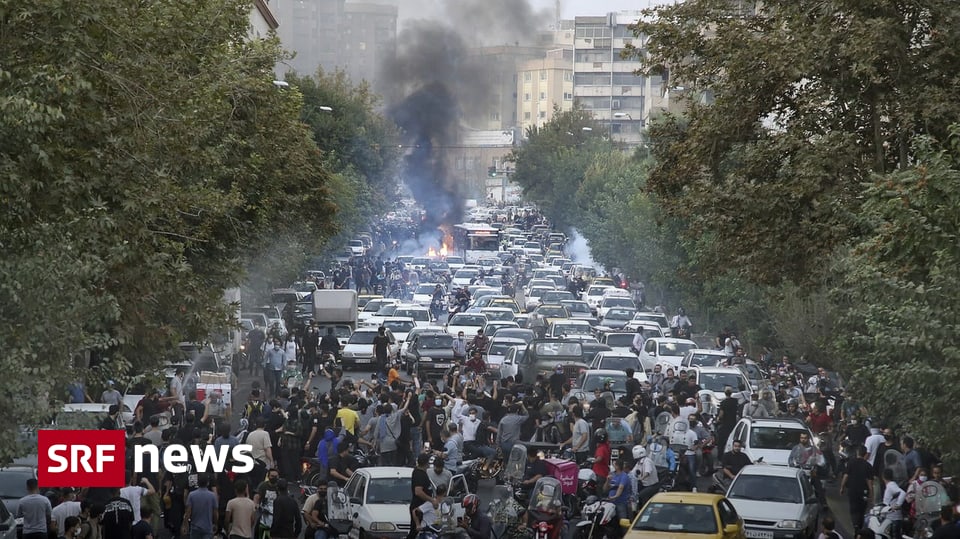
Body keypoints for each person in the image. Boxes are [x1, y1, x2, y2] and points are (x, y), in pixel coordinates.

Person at [840, 445, 875, 534]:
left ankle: (856, 526)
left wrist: (842, 487)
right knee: (862, 510)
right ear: (865, 454)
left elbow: (846, 476)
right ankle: (859, 526)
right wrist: (871, 494)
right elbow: (870, 482)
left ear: (857, 453)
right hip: (864, 492)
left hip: (852, 490)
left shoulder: (851, 463)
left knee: (854, 509)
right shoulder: (868, 466)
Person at [407, 454, 438, 539]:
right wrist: (432, 500)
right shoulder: (419, 474)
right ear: (426, 463)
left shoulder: (422, 472)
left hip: (425, 507)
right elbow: (418, 492)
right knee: (415, 531)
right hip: (419, 507)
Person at [182, 474, 217, 539]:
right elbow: (215, 512)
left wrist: (185, 524)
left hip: (195, 527)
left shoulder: (192, 495)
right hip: (208, 527)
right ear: (208, 483)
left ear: (198, 483)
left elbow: (188, 512)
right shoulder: (212, 496)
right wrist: (215, 523)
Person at [881, 468, 906, 539]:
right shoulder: (890, 486)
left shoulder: (891, 486)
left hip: (893, 518)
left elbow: (903, 493)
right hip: (890, 518)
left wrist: (898, 505)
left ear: (883, 477)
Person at [633, 446, 660, 510]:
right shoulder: (639, 463)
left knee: (641, 495)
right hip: (644, 485)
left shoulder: (647, 461)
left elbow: (647, 472)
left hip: (652, 485)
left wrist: (641, 478)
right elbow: (633, 472)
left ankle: (644, 510)